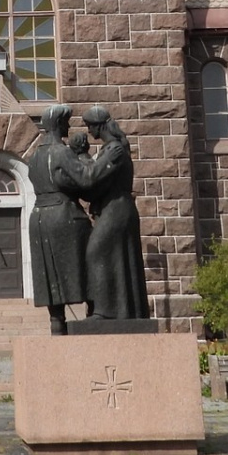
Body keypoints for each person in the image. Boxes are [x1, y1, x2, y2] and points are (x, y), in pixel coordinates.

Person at [69, 104, 151, 320]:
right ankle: (118, 312)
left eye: (89, 126)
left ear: (99, 125)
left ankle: (104, 312)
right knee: (115, 259)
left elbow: (94, 180)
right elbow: (96, 186)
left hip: (117, 209)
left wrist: (82, 157)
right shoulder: (109, 150)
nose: (89, 131)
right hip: (111, 208)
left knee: (95, 253)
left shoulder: (114, 150)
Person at [24, 103, 90, 334]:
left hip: (39, 217)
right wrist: (86, 157)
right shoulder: (62, 152)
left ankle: (57, 322)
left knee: (49, 272)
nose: (68, 126)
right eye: (66, 122)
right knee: (89, 262)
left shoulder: (34, 157)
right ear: (58, 124)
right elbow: (85, 180)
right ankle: (95, 311)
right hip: (64, 216)